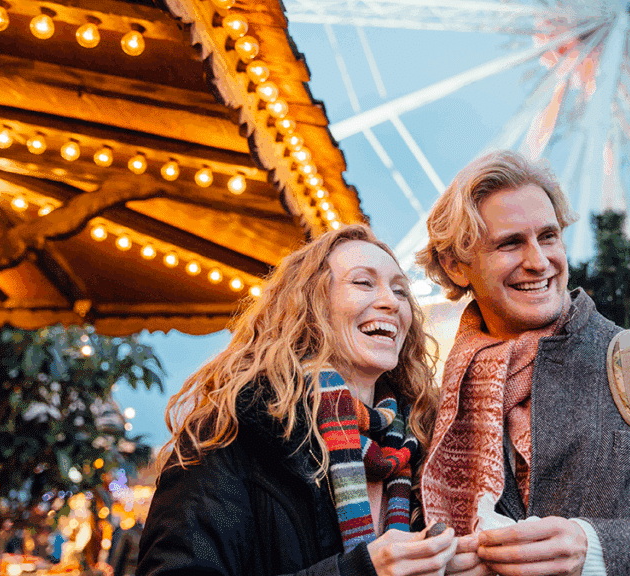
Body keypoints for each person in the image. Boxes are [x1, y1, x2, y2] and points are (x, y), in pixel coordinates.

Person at [416, 150, 630, 575]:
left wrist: (594, 548)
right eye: (510, 243)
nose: (539, 260)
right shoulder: (439, 410)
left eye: (548, 237)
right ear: (457, 266)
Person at [137, 224, 456, 576]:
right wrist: (359, 571)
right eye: (364, 283)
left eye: (400, 290)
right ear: (309, 305)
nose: (391, 302)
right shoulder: (235, 428)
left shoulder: (429, 438)